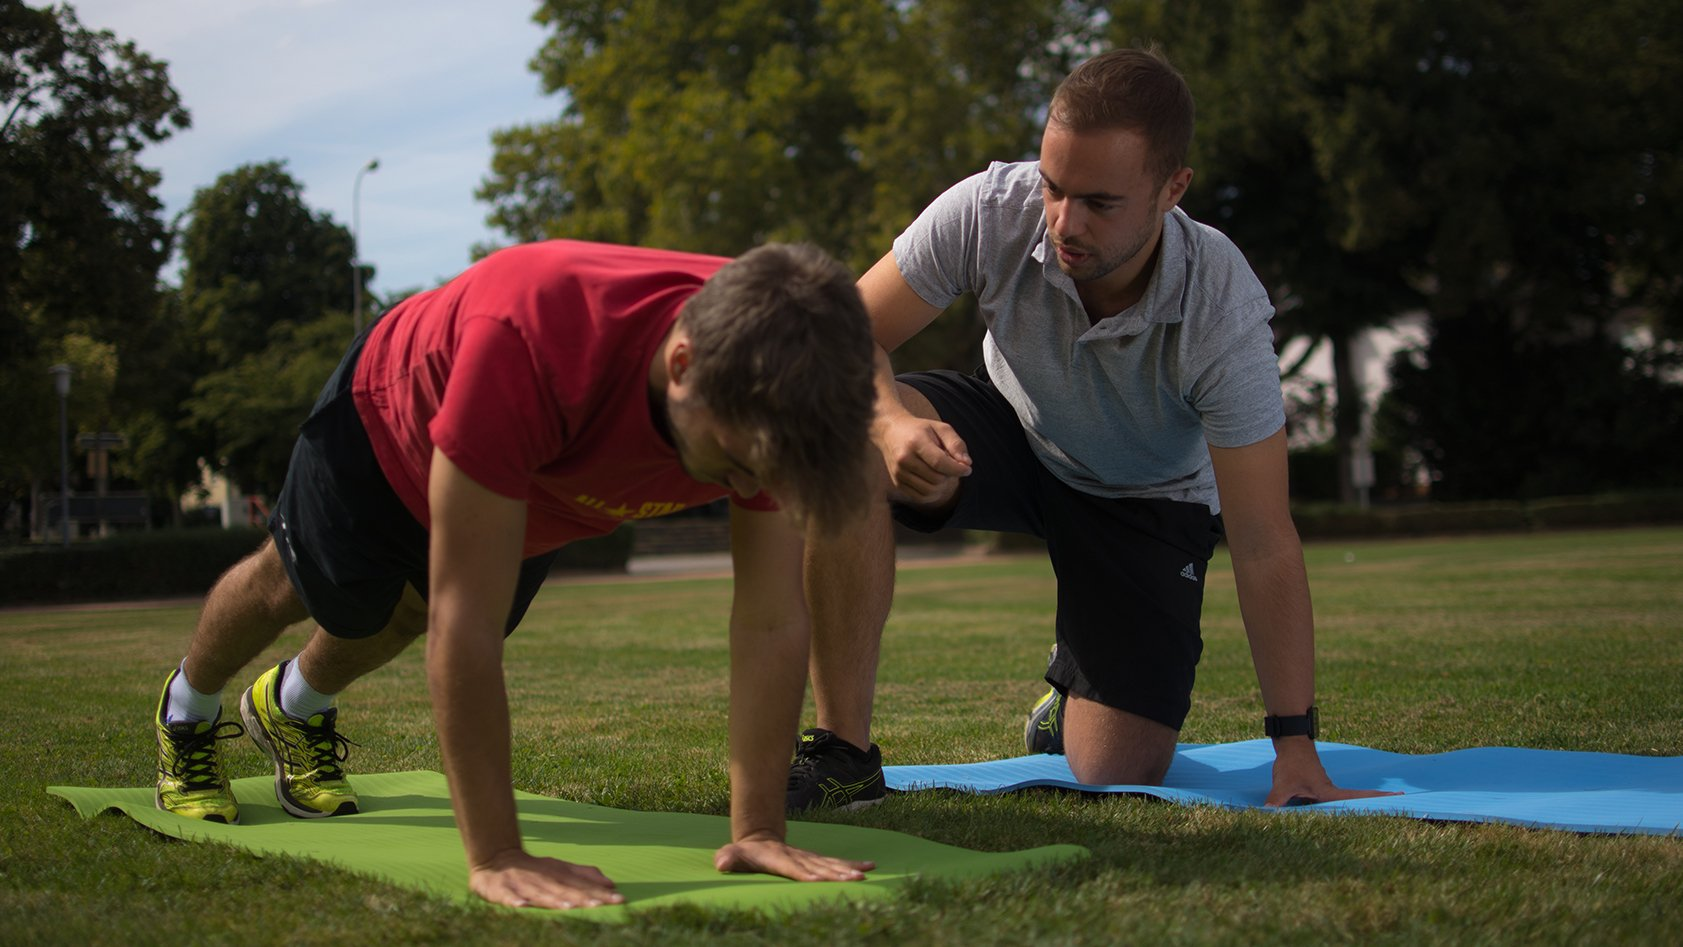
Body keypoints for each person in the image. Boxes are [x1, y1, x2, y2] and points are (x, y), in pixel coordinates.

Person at [151, 239, 882, 910]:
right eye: (739, 458)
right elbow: (461, 621)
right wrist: (497, 851)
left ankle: (293, 704)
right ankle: (188, 706)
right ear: (683, 365)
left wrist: (756, 829)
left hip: (542, 480)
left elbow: (770, 620)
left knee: (400, 617)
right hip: (389, 424)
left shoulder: (780, 381)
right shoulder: (532, 340)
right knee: (300, 590)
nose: (752, 481)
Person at [786, 47, 1396, 811]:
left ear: (1172, 189)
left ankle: (1068, 694)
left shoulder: (1221, 308)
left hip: (1145, 498)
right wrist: (888, 428)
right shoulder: (988, 207)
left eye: (1100, 202)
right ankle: (845, 752)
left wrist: (1294, 744)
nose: (1063, 223)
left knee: (1115, 768)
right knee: (845, 441)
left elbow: (1264, 537)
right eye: (1053, 187)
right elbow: (847, 330)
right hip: (1013, 435)